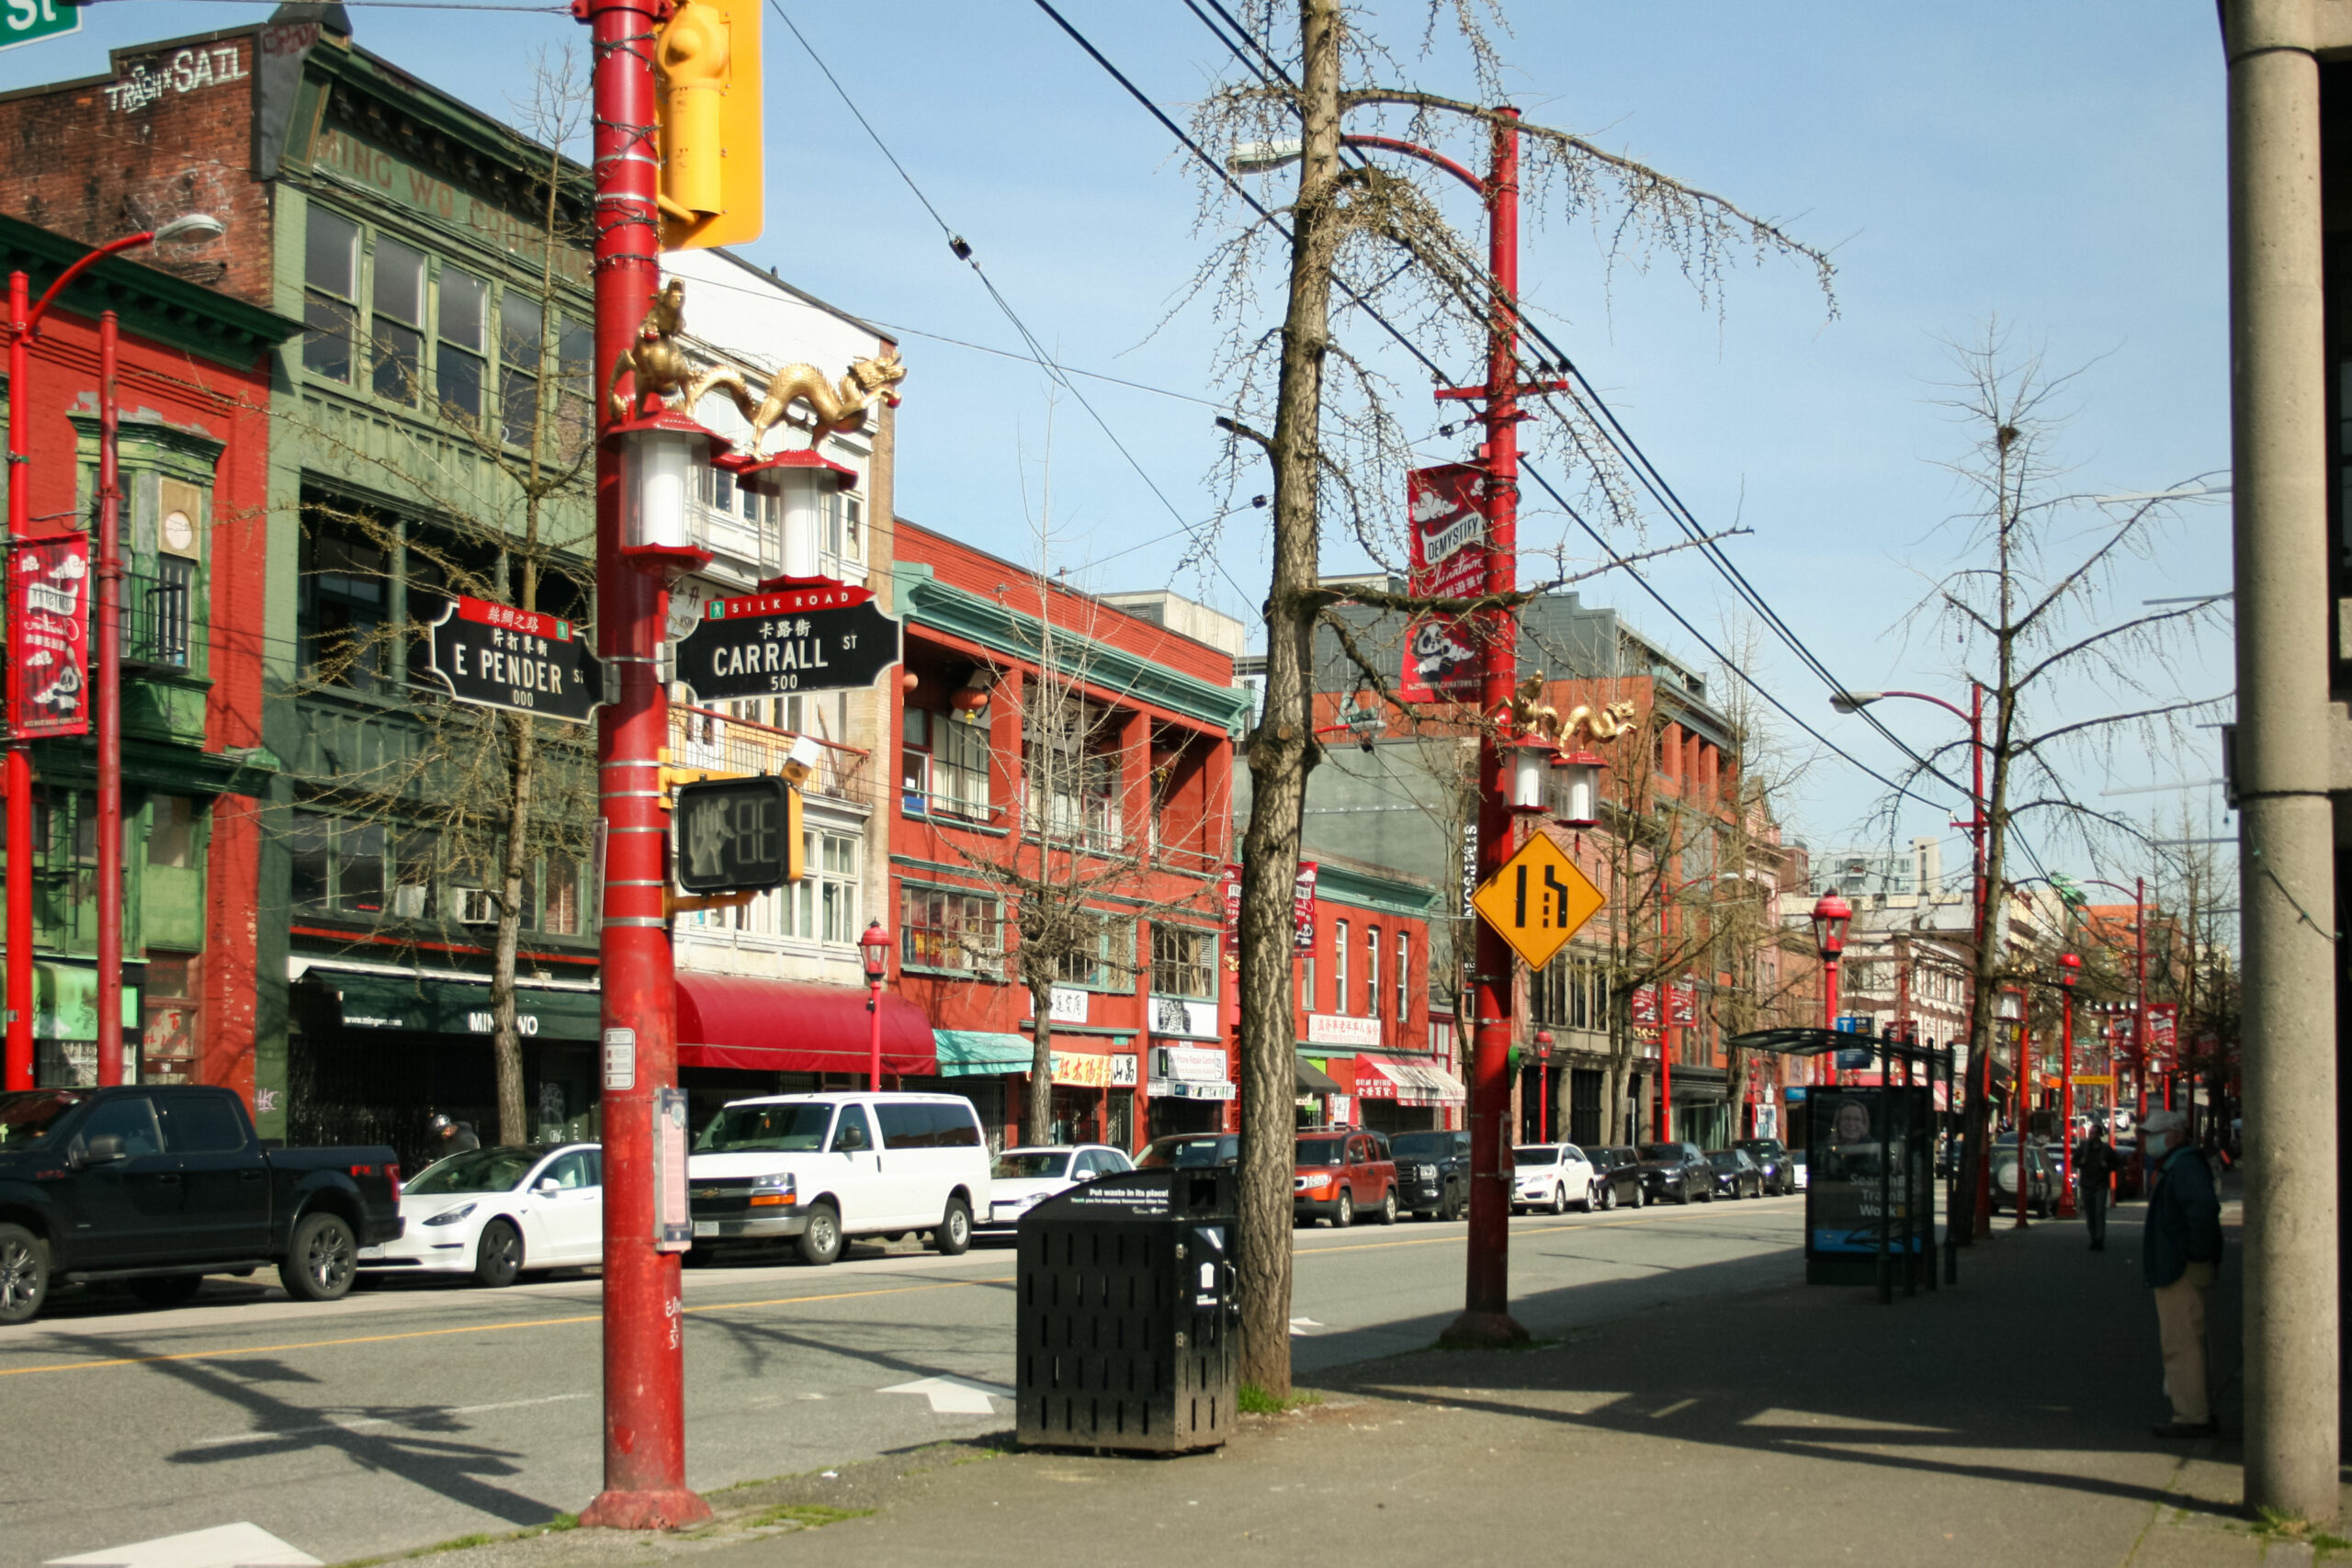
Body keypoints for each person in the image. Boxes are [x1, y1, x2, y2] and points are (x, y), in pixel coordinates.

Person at [2142, 1108, 2223, 1438]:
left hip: (2179, 1267)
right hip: (2181, 1263)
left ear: (2174, 1134)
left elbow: (2202, 1211)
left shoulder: (2183, 1166)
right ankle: (2194, 1410)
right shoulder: (2183, 1164)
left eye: (2152, 1133)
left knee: (2181, 1342)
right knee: (2187, 1338)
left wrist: (2195, 1254)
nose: (2147, 1139)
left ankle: (2191, 1415)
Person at [2075, 1125, 2119, 1251]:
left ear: (2099, 1135)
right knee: (2090, 1214)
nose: (2091, 1135)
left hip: (2101, 1185)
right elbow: (2075, 1160)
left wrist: (2107, 1166)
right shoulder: (2084, 1147)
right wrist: (2081, 1163)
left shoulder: (2105, 1149)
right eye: (2091, 1132)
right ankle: (2093, 1237)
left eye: (2094, 1133)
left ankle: (2099, 1239)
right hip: (2087, 1185)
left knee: (2099, 1212)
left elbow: (2115, 1163)